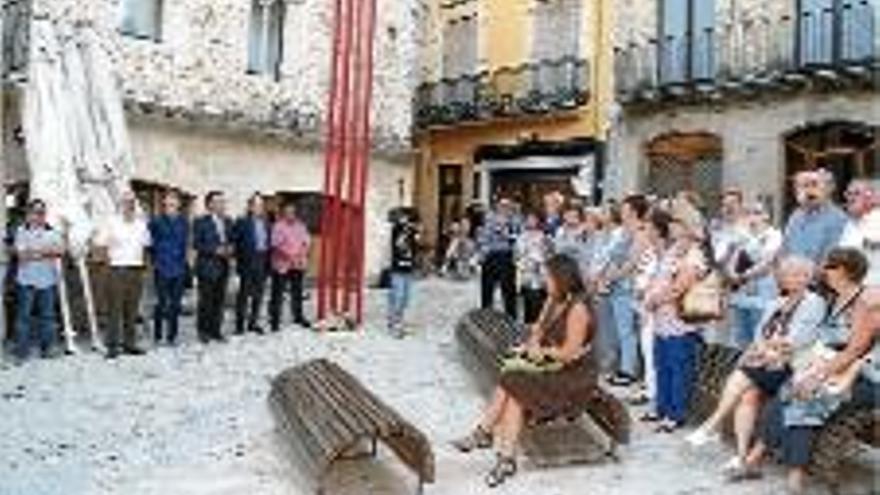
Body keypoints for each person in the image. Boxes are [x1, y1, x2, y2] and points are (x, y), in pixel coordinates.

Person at [451, 254, 618, 488]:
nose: (544, 280)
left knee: (512, 382)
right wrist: (532, 345)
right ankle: (502, 455)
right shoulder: (554, 298)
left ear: (562, 278)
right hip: (552, 365)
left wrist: (543, 354)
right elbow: (538, 328)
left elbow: (570, 352)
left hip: (573, 375)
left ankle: (486, 436)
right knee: (514, 388)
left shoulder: (578, 307)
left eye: (548, 276)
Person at [736, 248, 878, 494]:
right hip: (831, 369)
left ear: (844, 271)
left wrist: (817, 375)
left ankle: (790, 472)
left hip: (862, 378)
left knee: (803, 399)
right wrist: (810, 370)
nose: (824, 271)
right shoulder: (835, 298)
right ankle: (760, 459)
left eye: (830, 267)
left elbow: (855, 350)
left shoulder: (866, 301)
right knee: (789, 391)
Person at [684, 256, 826, 471]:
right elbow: (759, 333)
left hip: (791, 367)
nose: (792, 279)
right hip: (767, 363)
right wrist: (761, 349)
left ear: (808, 277)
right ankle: (741, 456)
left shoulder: (814, 302)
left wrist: (767, 350)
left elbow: (799, 338)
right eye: (788, 275)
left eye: (799, 275)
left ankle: (712, 424)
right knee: (748, 396)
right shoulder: (776, 303)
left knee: (743, 375)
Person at [641, 199, 707, 432]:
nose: (670, 226)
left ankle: (676, 414)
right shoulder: (673, 250)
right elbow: (659, 278)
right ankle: (663, 408)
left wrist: (653, 300)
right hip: (662, 319)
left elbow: (680, 287)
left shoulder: (694, 254)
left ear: (687, 226)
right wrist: (651, 298)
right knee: (663, 365)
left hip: (681, 321)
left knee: (679, 368)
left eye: (676, 222)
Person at [599, 194, 650, 387]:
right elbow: (612, 258)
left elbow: (632, 262)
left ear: (634, 211)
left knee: (627, 330)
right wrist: (605, 277)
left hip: (628, 287)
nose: (621, 211)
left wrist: (612, 277)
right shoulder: (624, 231)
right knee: (618, 330)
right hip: (616, 286)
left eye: (625, 208)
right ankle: (622, 367)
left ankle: (629, 371)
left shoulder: (641, 232)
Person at [95, 191, 151, 358]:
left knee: (132, 310)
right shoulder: (111, 222)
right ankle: (112, 345)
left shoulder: (141, 224)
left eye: (132, 202)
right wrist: (107, 264)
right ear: (120, 204)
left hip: (136, 269)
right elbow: (99, 244)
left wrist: (144, 267)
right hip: (117, 269)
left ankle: (129, 343)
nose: (130, 205)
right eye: (126, 202)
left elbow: (147, 245)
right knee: (114, 309)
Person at [12, 199, 64, 362]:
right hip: (26, 279)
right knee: (23, 317)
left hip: (47, 279)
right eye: (35, 212)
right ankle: (22, 351)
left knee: (48, 316)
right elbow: (21, 255)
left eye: (42, 212)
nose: (39, 215)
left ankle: (47, 348)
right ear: (29, 214)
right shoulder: (21, 231)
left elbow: (61, 250)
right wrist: (47, 252)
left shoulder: (52, 231)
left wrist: (34, 252)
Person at [727, 202, 784, 347]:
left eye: (757, 213)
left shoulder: (774, 235)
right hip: (740, 295)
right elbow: (731, 259)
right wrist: (732, 273)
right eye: (748, 213)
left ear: (767, 216)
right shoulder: (741, 235)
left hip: (763, 296)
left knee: (760, 339)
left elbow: (766, 263)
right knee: (740, 339)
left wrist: (743, 277)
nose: (752, 217)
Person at [148, 191, 189, 346]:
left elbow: (184, 244)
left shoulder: (183, 222)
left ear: (178, 205)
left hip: (178, 267)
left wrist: (185, 263)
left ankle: (172, 335)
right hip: (162, 266)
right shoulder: (156, 222)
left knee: (176, 303)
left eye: (173, 203)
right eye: (167, 203)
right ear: (164, 205)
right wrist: (156, 261)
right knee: (161, 302)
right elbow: (150, 243)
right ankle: (158, 334)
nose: (170, 206)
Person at [781, 170, 847, 263]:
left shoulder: (838, 219)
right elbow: (783, 251)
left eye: (814, 184)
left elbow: (828, 262)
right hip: (787, 270)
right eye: (802, 186)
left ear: (829, 188)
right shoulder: (796, 216)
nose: (808, 191)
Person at [193, 191, 233, 343]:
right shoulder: (200, 222)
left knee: (219, 300)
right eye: (218, 201)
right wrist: (215, 250)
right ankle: (203, 331)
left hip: (223, 266)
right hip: (207, 267)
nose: (222, 204)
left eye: (223, 201)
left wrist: (231, 248)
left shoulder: (228, 221)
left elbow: (233, 239)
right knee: (206, 301)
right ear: (209, 204)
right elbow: (197, 243)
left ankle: (216, 330)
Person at [269, 201, 312, 331]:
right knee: (278, 293)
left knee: (297, 292)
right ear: (283, 213)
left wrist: (300, 255)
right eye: (287, 212)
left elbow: (306, 242)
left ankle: (298, 316)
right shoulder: (278, 226)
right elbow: (275, 245)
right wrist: (289, 256)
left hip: (298, 264)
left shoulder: (301, 226)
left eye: (292, 212)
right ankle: (275, 319)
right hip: (282, 264)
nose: (290, 214)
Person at [232, 193, 271, 335]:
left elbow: (268, 246)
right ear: (250, 206)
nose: (258, 208)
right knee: (243, 296)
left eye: (261, 205)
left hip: (262, 262)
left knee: (258, 295)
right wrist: (239, 261)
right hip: (247, 263)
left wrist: (268, 265)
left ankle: (253, 323)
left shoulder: (266, 223)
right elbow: (235, 243)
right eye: (255, 205)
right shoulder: (242, 222)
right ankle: (239, 325)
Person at [477, 198, 520, 318]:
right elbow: (483, 238)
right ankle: (486, 315)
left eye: (507, 206)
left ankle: (511, 317)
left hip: (507, 256)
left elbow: (519, 238)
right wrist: (482, 255)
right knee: (487, 289)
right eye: (501, 205)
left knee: (508, 290)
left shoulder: (515, 220)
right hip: (491, 256)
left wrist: (508, 234)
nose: (504, 208)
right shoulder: (489, 219)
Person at [838, 179, 879, 285]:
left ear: (873, 198)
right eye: (848, 193)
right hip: (851, 286)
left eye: (857, 193)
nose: (850, 198)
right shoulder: (849, 223)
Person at [387, 210, 420, 337]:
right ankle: (394, 323)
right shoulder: (397, 230)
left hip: (408, 269)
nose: (405, 219)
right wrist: (407, 228)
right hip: (397, 270)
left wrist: (414, 233)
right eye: (403, 217)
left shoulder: (411, 232)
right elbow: (399, 242)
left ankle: (398, 320)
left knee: (405, 298)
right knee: (398, 296)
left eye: (406, 217)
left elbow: (415, 247)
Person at [516, 212, 549, 324]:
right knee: (526, 308)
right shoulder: (521, 236)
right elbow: (517, 255)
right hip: (525, 276)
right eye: (529, 219)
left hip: (538, 278)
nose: (531, 221)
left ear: (539, 221)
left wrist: (536, 260)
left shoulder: (543, 237)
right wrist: (521, 261)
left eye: (533, 219)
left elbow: (546, 256)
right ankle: (527, 331)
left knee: (537, 308)